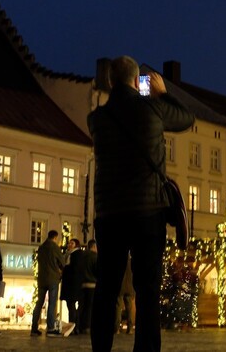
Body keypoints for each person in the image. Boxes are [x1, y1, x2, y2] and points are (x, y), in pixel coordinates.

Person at [88, 56, 194, 352]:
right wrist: (162, 93)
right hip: (147, 214)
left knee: (106, 289)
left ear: (110, 81)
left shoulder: (96, 119)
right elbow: (186, 118)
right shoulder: (152, 108)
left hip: (109, 215)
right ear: (138, 82)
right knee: (147, 291)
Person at [31, 229, 66, 337]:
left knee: (39, 303)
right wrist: (60, 270)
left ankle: (34, 328)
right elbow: (62, 262)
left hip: (41, 279)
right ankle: (50, 328)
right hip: (52, 278)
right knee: (52, 304)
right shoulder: (54, 247)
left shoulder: (41, 247)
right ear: (55, 237)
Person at [61, 238, 84, 334]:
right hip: (71, 285)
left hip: (72, 285)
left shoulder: (75, 254)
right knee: (71, 306)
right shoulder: (70, 254)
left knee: (71, 306)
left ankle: (73, 326)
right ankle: (75, 326)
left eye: (72, 243)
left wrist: (65, 270)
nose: (69, 245)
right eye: (69, 243)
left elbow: (74, 270)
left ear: (76, 245)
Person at [77, 239, 98, 335]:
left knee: (82, 306)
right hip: (92, 284)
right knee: (90, 307)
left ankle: (78, 325)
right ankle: (87, 326)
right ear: (94, 246)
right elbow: (97, 270)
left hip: (82, 284)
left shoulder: (82, 256)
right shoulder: (95, 257)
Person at [114, 255, 135, 334]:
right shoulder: (131, 262)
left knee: (118, 308)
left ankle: (116, 329)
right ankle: (130, 328)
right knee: (129, 309)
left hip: (120, 287)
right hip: (130, 287)